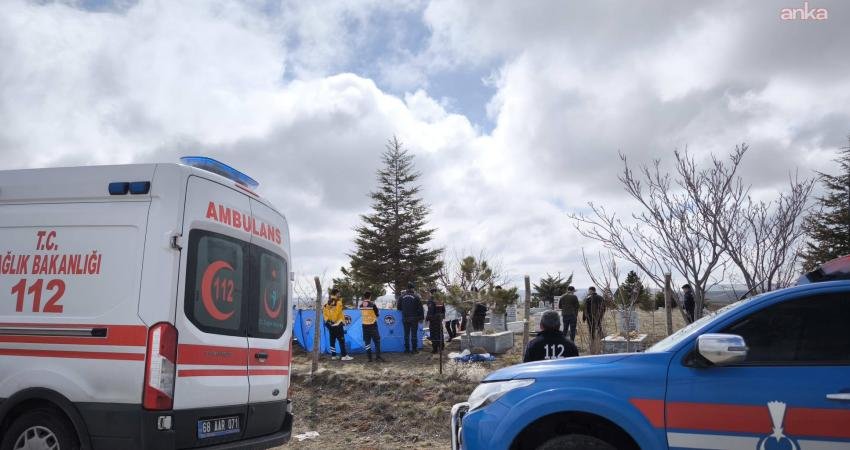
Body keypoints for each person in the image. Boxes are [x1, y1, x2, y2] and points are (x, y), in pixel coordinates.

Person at [323, 288, 352, 361]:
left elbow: (325, 315)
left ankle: (333, 356)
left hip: (330, 325)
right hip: (337, 324)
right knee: (341, 340)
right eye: (338, 293)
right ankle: (344, 356)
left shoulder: (326, 304)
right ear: (336, 294)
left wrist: (329, 322)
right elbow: (336, 313)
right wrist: (335, 322)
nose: (339, 294)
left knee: (332, 340)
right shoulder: (338, 303)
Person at [397, 282, 424, 354]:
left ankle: (407, 350)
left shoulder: (401, 297)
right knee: (414, 334)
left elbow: (398, 307)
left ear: (407, 288)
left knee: (406, 334)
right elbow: (420, 309)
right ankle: (414, 350)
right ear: (412, 288)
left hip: (405, 318)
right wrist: (421, 318)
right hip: (414, 318)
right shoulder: (416, 297)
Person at [359, 291, 384, 362]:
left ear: (364, 296)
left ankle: (369, 358)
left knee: (367, 342)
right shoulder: (372, 304)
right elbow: (377, 314)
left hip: (364, 325)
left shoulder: (361, 305)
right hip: (372, 325)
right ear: (370, 296)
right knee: (377, 341)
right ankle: (378, 357)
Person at [425, 288, 446, 353]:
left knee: (434, 334)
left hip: (433, 320)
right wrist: (441, 317)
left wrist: (427, 318)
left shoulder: (431, 300)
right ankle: (441, 346)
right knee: (440, 333)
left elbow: (430, 311)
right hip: (439, 319)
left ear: (432, 293)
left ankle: (435, 349)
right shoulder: (440, 300)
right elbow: (443, 310)